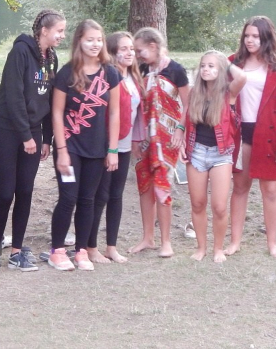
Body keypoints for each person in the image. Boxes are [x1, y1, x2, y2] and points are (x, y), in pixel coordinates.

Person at [0, 10, 66, 274]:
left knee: (26, 191)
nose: (62, 36)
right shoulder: (20, 52)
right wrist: (26, 136)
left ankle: (17, 252)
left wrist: (46, 138)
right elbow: (14, 95)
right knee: (5, 193)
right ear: (44, 30)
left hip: (33, 132)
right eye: (59, 31)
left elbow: (49, 99)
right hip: (8, 129)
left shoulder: (51, 58)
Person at [48, 19, 120, 271]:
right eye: (90, 40)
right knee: (68, 197)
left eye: (99, 40)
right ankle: (57, 251)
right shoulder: (66, 73)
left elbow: (114, 113)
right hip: (70, 149)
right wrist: (61, 151)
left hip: (97, 149)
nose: (95, 44)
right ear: (79, 41)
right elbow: (56, 113)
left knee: (88, 199)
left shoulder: (110, 73)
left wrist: (112, 149)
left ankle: (81, 251)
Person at [225, 16, 276, 258]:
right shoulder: (232, 63)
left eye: (255, 36)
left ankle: (272, 243)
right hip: (240, 132)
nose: (250, 40)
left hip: (269, 133)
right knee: (240, 188)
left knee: (271, 191)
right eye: (247, 35)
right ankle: (235, 241)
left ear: (266, 37)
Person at [129, 26, 189, 258]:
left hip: (167, 139)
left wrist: (180, 131)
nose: (137, 55)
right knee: (144, 185)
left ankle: (166, 242)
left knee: (162, 186)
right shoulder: (141, 70)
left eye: (140, 50)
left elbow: (188, 104)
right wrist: (135, 139)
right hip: (144, 137)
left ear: (153, 46)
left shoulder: (176, 70)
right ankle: (148, 238)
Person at [86, 31, 144, 265]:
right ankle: (90, 247)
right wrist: (108, 147)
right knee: (100, 195)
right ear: (112, 52)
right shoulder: (107, 76)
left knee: (116, 195)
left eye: (132, 49)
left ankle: (111, 247)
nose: (130, 53)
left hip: (125, 145)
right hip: (106, 145)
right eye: (124, 49)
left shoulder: (133, 77)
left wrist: (136, 140)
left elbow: (136, 112)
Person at [183, 51, 245, 263]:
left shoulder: (229, 92)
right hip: (197, 152)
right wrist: (180, 135)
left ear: (220, 70)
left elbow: (242, 77)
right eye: (203, 66)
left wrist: (225, 61)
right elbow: (186, 117)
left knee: (219, 206)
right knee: (198, 204)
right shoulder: (195, 93)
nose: (206, 69)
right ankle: (201, 248)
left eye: (211, 66)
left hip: (221, 154)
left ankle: (218, 248)